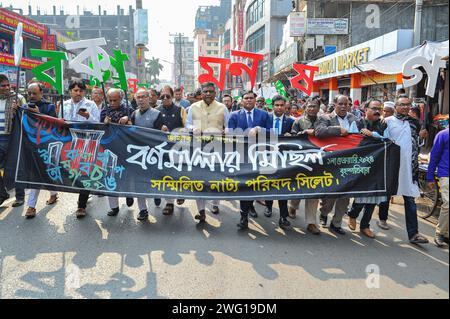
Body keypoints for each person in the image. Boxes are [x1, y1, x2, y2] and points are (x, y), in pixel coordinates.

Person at [314, 95, 363, 235]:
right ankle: (324, 213)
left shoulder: (355, 119)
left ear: (349, 105)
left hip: (350, 162)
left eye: (345, 104)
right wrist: (338, 130)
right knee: (330, 195)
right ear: (335, 104)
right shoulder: (326, 118)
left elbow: (361, 135)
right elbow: (319, 132)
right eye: (340, 103)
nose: (343, 106)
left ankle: (336, 223)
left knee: (345, 195)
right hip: (331, 162)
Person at [384, 95, 429, 244]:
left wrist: (422, 137)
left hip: (409, 168)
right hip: (392, 165)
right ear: (395, 107)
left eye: (407, 105)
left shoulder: (415, 123)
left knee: (410, 199)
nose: (405, 107)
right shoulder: (387, 122)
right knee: (386, 194)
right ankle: (382, 218)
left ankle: (413, 234)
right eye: (402, 104)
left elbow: (415, 142)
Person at [227, 90, 272, 230]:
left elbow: (272, 132)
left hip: (260, 156)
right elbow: (229, 134)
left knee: (255, 184)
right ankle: (243, 216)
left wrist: (259, 129)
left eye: (251, 98)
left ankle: (250, 206)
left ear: (255, 99)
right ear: (241, 100)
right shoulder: (234, 115)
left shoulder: (264, 115)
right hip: (241, 157)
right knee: (244, 185)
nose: (248, 100)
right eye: (245, 98)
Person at [187, 82, 229, 223]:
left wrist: (227, 131)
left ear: (215, 93)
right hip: (198, 147)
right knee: (199, 178)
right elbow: (187, 124)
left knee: (216, 177)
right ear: (202, 93)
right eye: (206, 91)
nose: (208, 94)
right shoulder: (193, 107)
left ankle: (215, 204)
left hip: (217, 147)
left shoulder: (222, 108)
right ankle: (201, 211)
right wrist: (192, 128)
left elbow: (229, 126)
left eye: (211, 91)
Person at [347, 99, 387, 238]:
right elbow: (350, 143)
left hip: (378, 165)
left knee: (374, 197)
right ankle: (353, 214)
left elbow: (388, 141)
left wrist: (373, 135)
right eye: (374, 108)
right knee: (361, 195)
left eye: (379, 108)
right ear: (365, 109)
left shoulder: (383, 125)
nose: (377, 111)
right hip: (360, 165)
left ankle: (365, 226)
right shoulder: (356, 124)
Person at [61, 79, 100, 218]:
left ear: (84, 92)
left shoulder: (91, 105)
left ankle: (81, 205)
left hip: (86, 143)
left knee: (85, 171)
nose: (78, 93)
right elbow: (58, 122)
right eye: (75, 90)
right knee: (68, 170)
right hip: (67, 143)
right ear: (70, 91)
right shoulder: (63, 104)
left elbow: (98, 124)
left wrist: (88, 116)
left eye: (81, 90)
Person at [24, 83, 59, 218]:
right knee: (39, 173)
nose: (31, 96)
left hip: (45, 146)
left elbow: (55, 125)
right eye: (29, 93)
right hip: (29, 146)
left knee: (39, 174)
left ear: (41, 93)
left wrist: (39, 114)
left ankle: (32, 206)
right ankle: (51, 195)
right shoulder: (24, 107)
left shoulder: (49, 107)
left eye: (34, 93)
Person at [130, 88, 166, 221]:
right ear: (135, 99)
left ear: (149, 98)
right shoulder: (133, 114)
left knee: (154, 180)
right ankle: (143, 210)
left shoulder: (157, 114)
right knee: (139, 182)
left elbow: (161, 135)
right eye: (138, 97)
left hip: (154, 154)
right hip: (139, 155)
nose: (141, 99)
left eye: (143, 97)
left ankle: (156, 194)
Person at [288, 98, 322, 235]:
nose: (311, 109)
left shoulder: (323, 121)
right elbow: (292, 138)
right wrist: (304, 133)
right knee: (298, 187)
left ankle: (311, 222)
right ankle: (292, 206)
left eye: (314, 106)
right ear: (305, 107)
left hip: (318, 161)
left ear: (319, 108)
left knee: (313, 191)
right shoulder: (298, 121)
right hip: (301, 160)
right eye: (309, 106)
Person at [101, 88, 133, 217]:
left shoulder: (128, 110)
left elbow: (134, 125)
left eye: (115, 100)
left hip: (126, 148)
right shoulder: (105, 110)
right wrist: (104, 123)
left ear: (121, 99)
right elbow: (100, 126)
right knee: (110, 176)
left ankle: (128, 193)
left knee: (126, 174)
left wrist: (128, 119)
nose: (112, 103)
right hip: (109, 148)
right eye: (110, 100)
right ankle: (114, 206)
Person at [264, 95, 294, 228]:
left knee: (283, 187)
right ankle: (269, 206)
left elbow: (296, 138)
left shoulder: (290, 121)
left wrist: (291, 136)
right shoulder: (265, 118)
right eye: (277, 105)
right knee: (269, 184)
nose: (279, 108)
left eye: (282, 105)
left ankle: (283, 216)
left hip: (283, 159)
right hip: (267, 156)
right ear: (272, 106)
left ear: (285, 106)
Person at [157, 85, 188, 215]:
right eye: (162, 96)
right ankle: (169, 203)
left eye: (167, 96)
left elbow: (187, 128)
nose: (165, 98)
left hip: (178, 147)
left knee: (178, 173)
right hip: (162, 149)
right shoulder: (155, 111)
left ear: (172, 96)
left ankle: (181, 193)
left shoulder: (181, 110)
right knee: (166, 175)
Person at [0, 74, 26, 207]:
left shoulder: (18, 98)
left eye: (7, 85)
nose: (6, 87)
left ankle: (20, 197)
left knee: (16, 167)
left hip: (13, 137)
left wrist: (19, 110)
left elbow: (27, 115)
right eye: (3, 85)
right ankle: (2, 193)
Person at [427, 128, 449, 247]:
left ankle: (446, 233)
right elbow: (434, 155)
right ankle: (440, 232)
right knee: (448, 204)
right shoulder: (443, 134)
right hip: (446, 174)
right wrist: (430, 177)